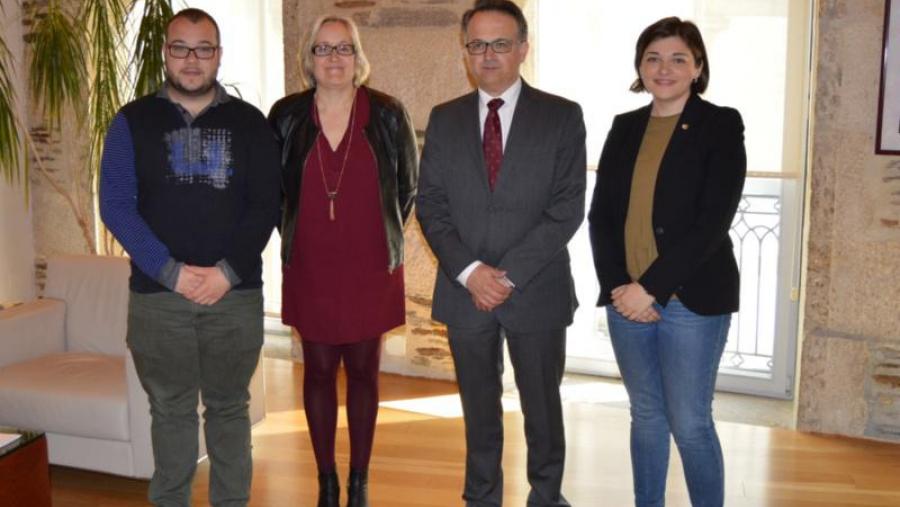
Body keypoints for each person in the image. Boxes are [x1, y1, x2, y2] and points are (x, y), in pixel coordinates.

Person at [99, 8, 281, 507]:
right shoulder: (131, 122)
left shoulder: (251, 123)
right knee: (171, 411)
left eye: (204, 48)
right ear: (166, 53)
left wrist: (226, 273)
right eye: (181, 47)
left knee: (228, 409)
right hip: (159, 299)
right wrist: (171, 272)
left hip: (235, 295)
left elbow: (266, 206)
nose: (192, 59)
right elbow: (115, 205)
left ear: (218, 55)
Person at [416, 1, 585, 505]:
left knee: (542, 408)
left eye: (501, 43)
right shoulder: (443, 119)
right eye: (477, 44)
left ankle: (547, 496)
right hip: (464, 291)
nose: (488, 55)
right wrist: (471, 273)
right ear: (465, 52)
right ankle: (481, 496)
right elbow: (431, 205)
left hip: (535, 289)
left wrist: (505, 276)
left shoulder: (561, 116)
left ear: (523, 49)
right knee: (478, 407)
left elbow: (567, 208)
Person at [588, 16, 747, 507]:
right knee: (647, 415)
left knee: (690, 421)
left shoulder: (720, 124)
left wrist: (650, 289)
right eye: (653, 57)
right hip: (626, 299)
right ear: (640, 66)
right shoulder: (625, 125)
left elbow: (711, 222)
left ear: (698, 67)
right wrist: (620, 286)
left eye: (679, 58)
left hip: (691, 301)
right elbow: (601, 217)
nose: (665, 68)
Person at [267, 14, 418, 507]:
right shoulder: (286, 116)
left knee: (364, 373)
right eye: (323, 49)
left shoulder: (388, 113)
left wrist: (379, 238)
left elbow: (407, 189)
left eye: (343, 48)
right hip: (310, 266)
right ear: (308, 60)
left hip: (370, 266)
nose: (334, 59)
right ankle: (326, 479)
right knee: (316, 371)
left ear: (358, 57)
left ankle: (360, 480)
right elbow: (274, 192)